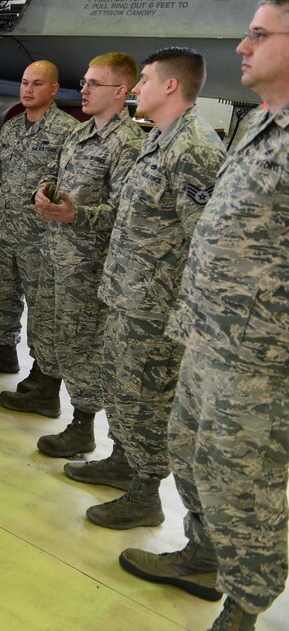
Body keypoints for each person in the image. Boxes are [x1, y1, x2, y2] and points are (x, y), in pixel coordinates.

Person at [120, 0, 289, 630]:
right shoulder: (261, 121)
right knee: (190, 456)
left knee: (243, 484)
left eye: (259, 35)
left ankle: (244, 608)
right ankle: (203, 556)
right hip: (208, 336)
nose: (242, 47)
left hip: (260, 357)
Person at [70, 47, 226, 531]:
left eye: (145, 80)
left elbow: (206, 241)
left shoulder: (194, 149)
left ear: (171, 86)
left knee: (148, 399)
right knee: (122, 390)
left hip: (156, 308)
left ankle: (145, 494)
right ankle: (124, 461)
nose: (136, 88)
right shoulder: (159, 139)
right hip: (127, 294)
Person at [30, 53, 142, 457]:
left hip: (90, 266)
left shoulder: (127, 145)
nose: (85, 89)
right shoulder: (79, 134)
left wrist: (78, 214)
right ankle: (70, 412)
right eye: (84, 81)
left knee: (84, 346)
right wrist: (44, 189)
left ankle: (84, 427)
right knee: (60, 338)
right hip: (58, 256)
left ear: (120, 92)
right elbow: (58, 176)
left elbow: (124, 213)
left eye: (94, 83)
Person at [0, 61, 78, 410]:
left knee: (43, 310)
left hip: (44, 238)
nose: (28, 90)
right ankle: (4, 352)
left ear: (54, 89)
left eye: (37, 84)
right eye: (25, 83)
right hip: (7, 230)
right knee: (2, 294)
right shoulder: (12, 128)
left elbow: (74, 186)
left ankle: (44, 374)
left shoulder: (68, 131)